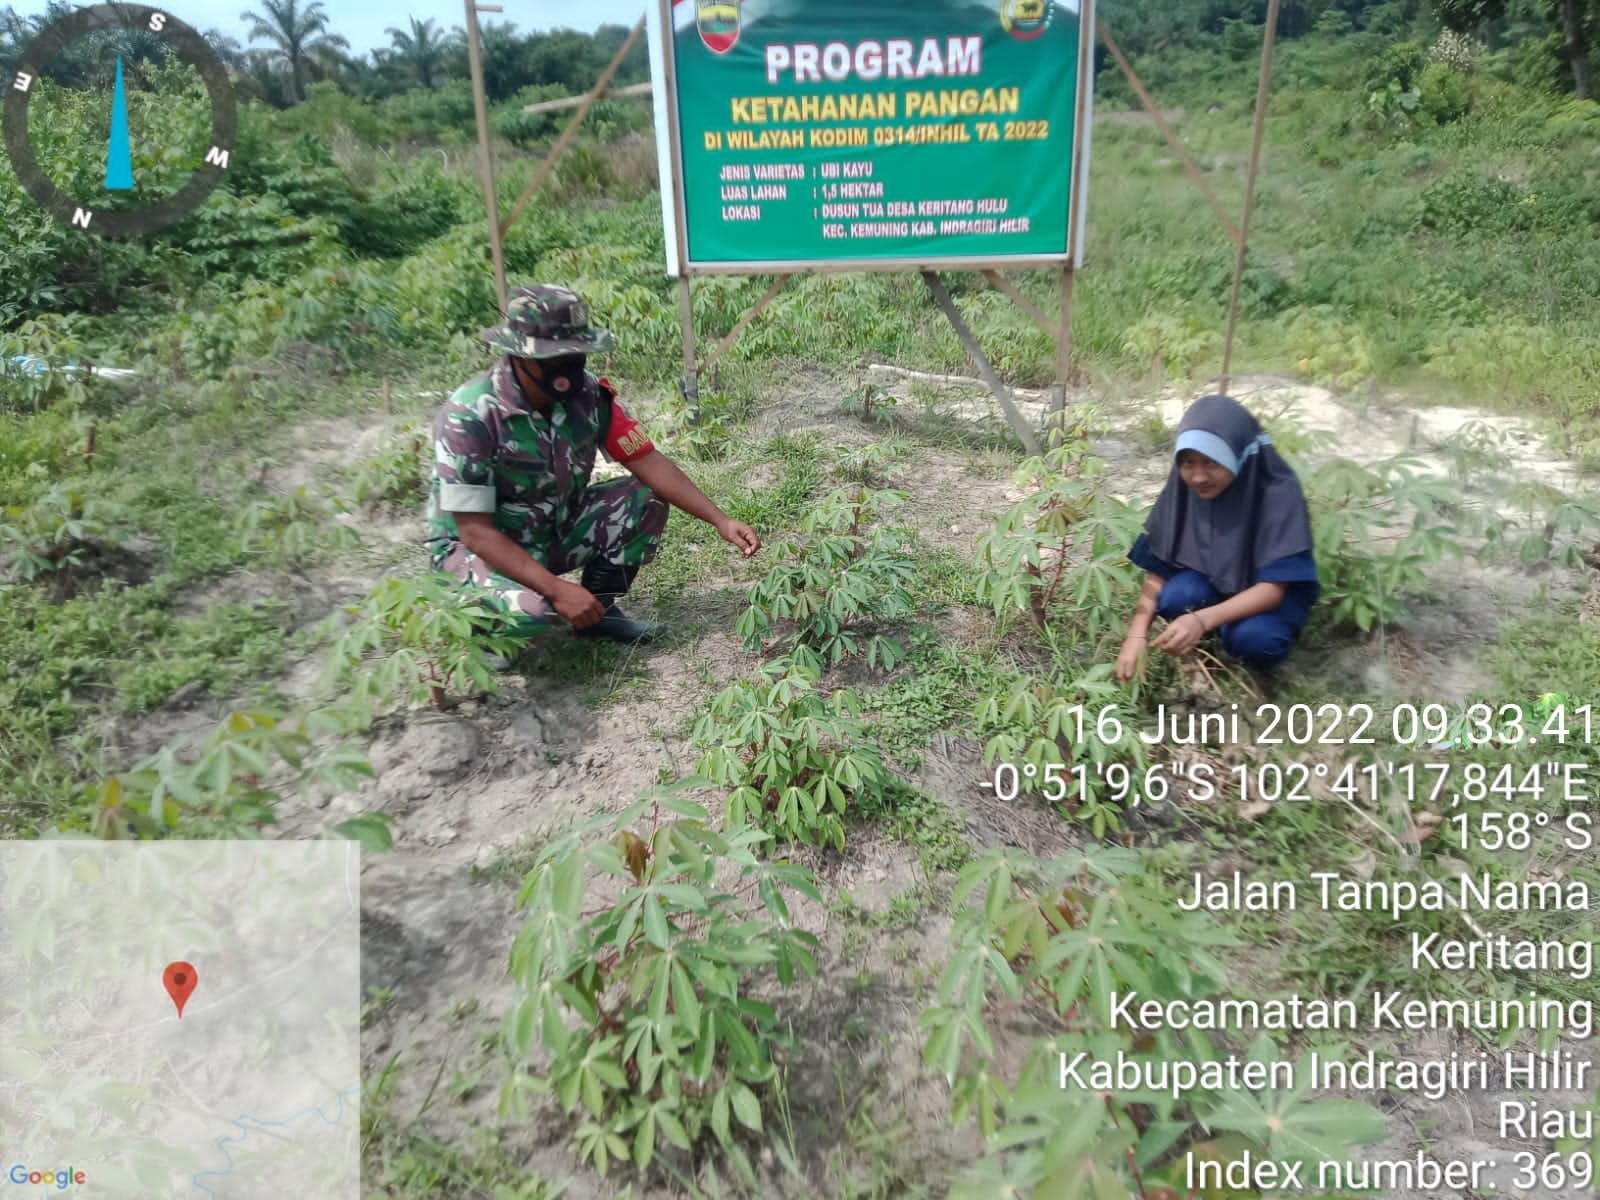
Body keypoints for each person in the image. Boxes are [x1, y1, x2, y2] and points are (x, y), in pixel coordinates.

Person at [427, 285, 761, 647]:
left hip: (547, 531)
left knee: (646, 498)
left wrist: (721, 520)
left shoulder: (586, 396)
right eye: (555, 356)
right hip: (477, 550)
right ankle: (481, 636)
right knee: (533, 613)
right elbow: (475, 532)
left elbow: (647, 461)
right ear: (520, 356)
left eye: (576, 352)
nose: (569, 365)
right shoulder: (470, 416)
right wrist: (557, 589)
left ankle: (597, 612)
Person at [1115, 394, 1319, 683]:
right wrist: (1136, 635)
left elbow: (1272, 589)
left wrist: (1200, 620)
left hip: (1268, 599)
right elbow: (1159, 567)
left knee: (1256, 639)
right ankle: (1206, 644)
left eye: (1212, 462)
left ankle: (1250, 666)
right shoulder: (1185, 488)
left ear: (1238, 453)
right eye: (1187, 462)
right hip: (1213, 583)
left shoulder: (1277, 493)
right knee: (1175, 597)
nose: (1198, 477)